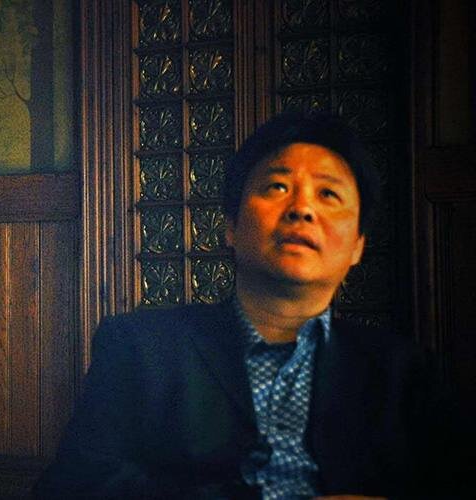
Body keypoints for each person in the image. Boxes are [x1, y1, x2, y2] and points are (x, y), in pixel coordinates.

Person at [35, 113, 462, 499]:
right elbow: (73, 488)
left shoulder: (404, 371)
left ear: (358, 247)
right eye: (277, 187)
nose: (302, 209)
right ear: (231, 227)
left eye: (328, 194)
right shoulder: (140, 347)